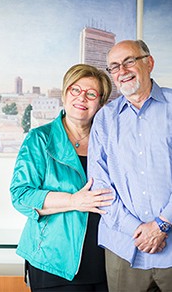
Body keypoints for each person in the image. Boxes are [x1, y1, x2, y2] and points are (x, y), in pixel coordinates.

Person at [10, 64, 113, 292]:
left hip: (108, 261)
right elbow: (21, 196)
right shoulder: (40, 139)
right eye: (75, 90)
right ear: (65, 94)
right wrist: (73, 201)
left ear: (101, 102)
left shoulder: (110, 141)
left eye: (91, 94)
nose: (81, 98)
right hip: (54, 262)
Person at [88, 39, 172, 292]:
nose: (121, 71)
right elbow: (99, 186)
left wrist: (162, 223)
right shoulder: (104, 118)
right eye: (114, 67)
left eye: (128, 61)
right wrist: (138, 230)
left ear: (149, 62)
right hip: (124, 248)